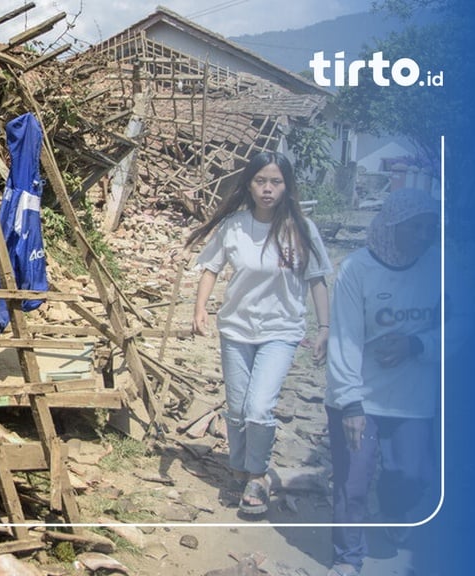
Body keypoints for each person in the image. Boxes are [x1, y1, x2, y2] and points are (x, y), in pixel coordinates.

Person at [186, 151, 331, 515]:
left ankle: (257, 475)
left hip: (281, 331)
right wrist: (200, 308)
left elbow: (317, 280)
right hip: (236, 329)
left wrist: (325, 327)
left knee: (259, 407)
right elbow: (211, 268)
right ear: (249, 185)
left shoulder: (301, 228)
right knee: (236, 409)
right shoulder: (234, 225)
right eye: (261, 181)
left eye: (276, 182)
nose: (268, 189)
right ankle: (238, 468)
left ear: (287, 186)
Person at [325, 188, 440, 576]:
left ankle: (392, 513)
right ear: (391, 226)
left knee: (413, 476)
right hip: (361, 396)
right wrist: (350, 403)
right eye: (416, 227)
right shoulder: (358, 270)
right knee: (353, 483)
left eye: (431, 227)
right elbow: (344, 338)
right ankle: (348, 557)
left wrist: (416, 343)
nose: (425, 235)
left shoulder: (440, 268)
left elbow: (467, 325)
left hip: (414, 400)